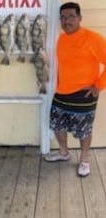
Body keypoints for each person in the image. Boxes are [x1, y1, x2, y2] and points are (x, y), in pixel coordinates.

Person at [44, 2, 106, 177]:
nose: (66, 21)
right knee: (56, 125)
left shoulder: (93, 38)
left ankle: (84, 160)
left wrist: (98, 85)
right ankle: (64, 152)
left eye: (71, 16)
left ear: (79, 18)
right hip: (62, 93)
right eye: (63, 17)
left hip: (84, 95)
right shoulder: (61, 39)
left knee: (83, 130)